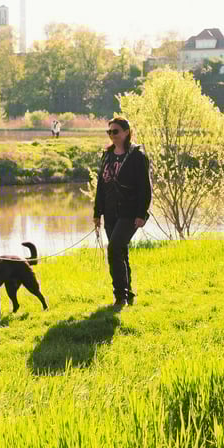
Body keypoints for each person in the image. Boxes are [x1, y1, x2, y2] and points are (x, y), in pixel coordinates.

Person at [93, 117, 151, 309]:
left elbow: (145, 187)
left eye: (115, 131)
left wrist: (141, 214)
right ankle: (129, 292)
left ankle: (120, 296)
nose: (112, 135)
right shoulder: (107, 154)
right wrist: (97, 212)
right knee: (121, 251)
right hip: (110, 212)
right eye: (109, 132)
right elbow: (101, 185)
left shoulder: (137, 155)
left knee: (114, 248)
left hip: (129, 212)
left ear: (127, 132)